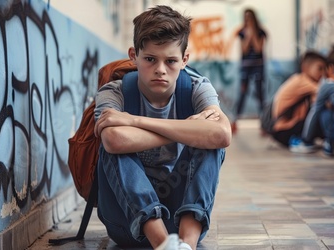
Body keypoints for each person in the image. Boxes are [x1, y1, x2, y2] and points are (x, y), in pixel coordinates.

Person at [93, 5, 232, 250]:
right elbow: (114, 140)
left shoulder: (197, 88)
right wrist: (187, 131)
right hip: (128, 224)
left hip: (181, 219)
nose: (160, 69)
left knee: (211, 145)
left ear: (185, 59)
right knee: (111, 147)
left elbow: (221, 134)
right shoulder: (114, 93)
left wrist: (135, 121)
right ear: (133, 56)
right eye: (149, 59)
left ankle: (186, 246)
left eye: (171, 61)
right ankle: (163, 246)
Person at [266, 51, 327, 147]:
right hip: (284, 130)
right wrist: (333, 78)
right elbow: (324, 93)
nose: (323, 73)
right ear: (305, 68)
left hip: (281, 130)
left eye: (325, 69)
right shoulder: (303, 81)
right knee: (321, 120)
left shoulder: (299, 79)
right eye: (320, 68)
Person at [229, 8, 267, 133]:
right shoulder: (241, 32)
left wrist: (253, 35)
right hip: (246, 66)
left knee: (260, 94)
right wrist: (247, 36)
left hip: (258, 66)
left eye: (250, 18)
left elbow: (258, 49)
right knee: (242, 94)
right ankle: (235, 121)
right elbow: (244, 49)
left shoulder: (261, 32)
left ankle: (264, 124)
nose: (248, 20)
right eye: (246, 18)